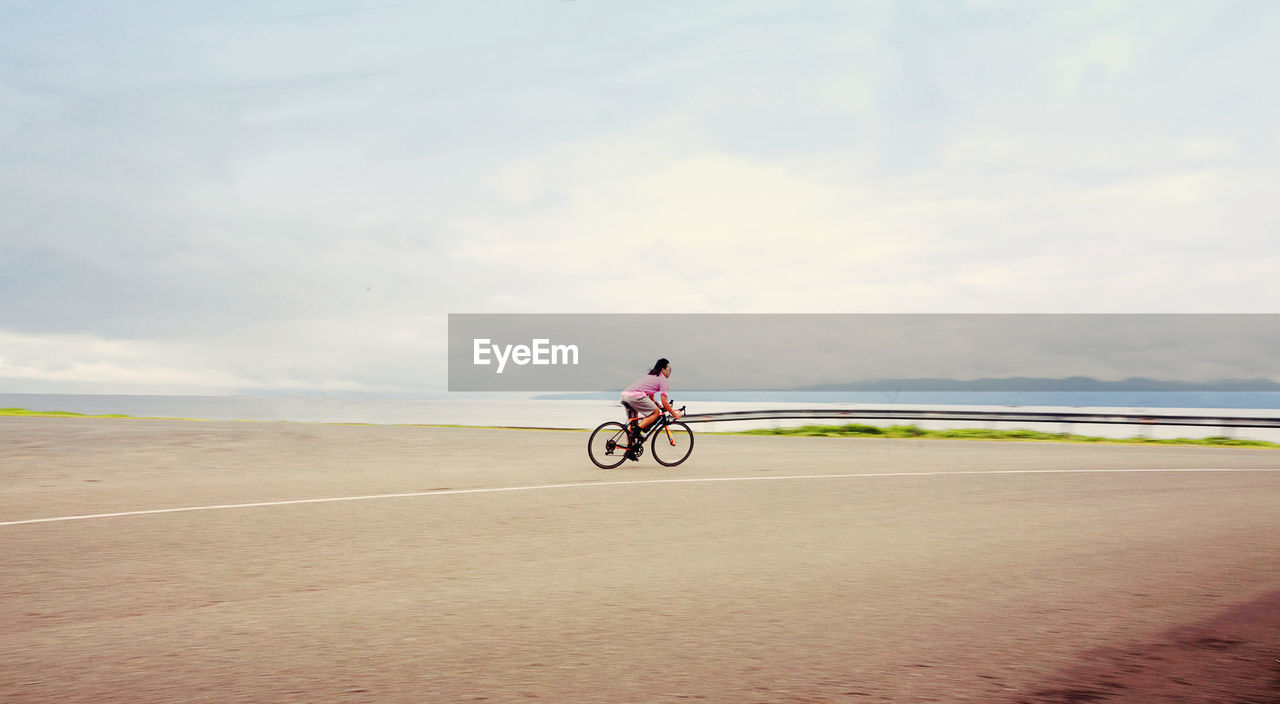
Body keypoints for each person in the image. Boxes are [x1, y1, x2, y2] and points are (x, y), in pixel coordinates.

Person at [620, 358, 682, 457]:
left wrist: (658, 404)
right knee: (655, 413)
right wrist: (674, 415)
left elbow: (651, 397)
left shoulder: (651, 376)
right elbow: (665, 402)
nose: (670, 371)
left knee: (633, 423)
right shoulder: (663, 381)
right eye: (669, 368)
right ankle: (637, 432)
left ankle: (630, 450)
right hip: (635, 396)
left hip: (626, 395)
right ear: (663, 369)